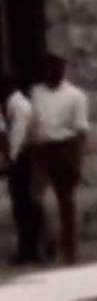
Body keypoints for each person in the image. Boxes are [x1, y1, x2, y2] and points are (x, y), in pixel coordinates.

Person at [28, 54, 89, 265]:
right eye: (50, 69)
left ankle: (70, 250)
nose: (53, 73)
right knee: (39, 198)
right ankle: (49, 242)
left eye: (58, 69)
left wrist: (78, 159)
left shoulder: (76, 96)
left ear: (63, 70)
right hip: (41, 148)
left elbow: (81, 131)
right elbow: (32, 121)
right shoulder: (36, 92)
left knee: (67, 201)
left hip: (65, 147)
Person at [0, 77, 38, 265]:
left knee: (24, 207)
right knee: (23, 207)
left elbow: (17, 136)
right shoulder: (13, 105)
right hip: (21, 160)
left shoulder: (20, 106)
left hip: (22, 161)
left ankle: (29, 250)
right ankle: (29, 249)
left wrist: (10, 162)